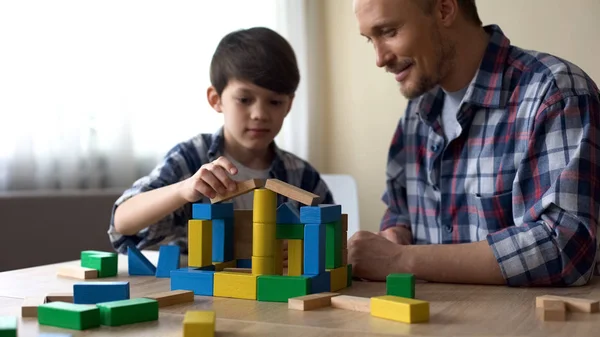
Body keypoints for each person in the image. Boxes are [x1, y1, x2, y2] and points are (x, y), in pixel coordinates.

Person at [348, 0, 600, 287]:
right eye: (370, 39)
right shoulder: (417, 111)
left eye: (389, 31)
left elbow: (565, 249)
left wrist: (399, 261)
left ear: (444, 9)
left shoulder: (555, 93)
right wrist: (397, 232)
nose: (379, 59)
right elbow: (399, 209)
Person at [109, 27, 333, 254]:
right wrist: (183, 190)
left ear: (289, 105)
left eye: (274, 102)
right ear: (216, 100)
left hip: (280, 288)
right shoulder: (191, 158)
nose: (259, 114)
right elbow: (122, 222)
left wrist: (308, 248)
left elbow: (332, 240)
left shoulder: (303, 177)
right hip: (204, 288)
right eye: (244, 99)